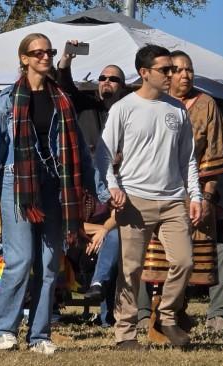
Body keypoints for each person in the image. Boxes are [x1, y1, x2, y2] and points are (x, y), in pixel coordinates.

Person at [0, 33, 104, 355]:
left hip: (56, 185)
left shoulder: (62, 99)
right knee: (21, 259)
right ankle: (3, 328)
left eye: (49, 52)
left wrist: (98, 187)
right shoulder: (7, 99)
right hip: (15, 183)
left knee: (49, 263)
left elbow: (81, 154)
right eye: (38, 53)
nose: (45, 57)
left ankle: (39, 334)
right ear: (24, 59)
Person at [94, 44, 203, 349]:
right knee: (130, 270)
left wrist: (196, 195)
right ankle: (125, 335)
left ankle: (167, 316)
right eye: (166, 70)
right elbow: (102, 157)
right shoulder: (124, 108)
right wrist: (112, 186)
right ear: (144, 73)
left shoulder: (178, 110)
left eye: (175, 69)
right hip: (135, 200)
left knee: (184, 261)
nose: (173, 74)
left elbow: (188, 160)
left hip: (173, 200)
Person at [167, 50, 223, 332]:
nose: (186, 75)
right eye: (179, 69)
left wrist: (207, 197)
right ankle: (152, 314)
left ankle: (217, 315)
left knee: (208, 251)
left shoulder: (206, 104)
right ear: (167, 74)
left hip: (196, 194)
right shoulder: (154, 103)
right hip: (157, 192)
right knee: (156, 256)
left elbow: (215, 156)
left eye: (190, 69)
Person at [55, 42, 129, 309]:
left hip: (118, 185)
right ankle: (54, 306)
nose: (106, 82)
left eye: (113, 79)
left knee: (117, 239)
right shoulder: (87, 106)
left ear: (123, 85)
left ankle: (107, 314)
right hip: (83, 187)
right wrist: (66, 59)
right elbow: (65, 86)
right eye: (102, 78)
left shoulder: (131, 113)